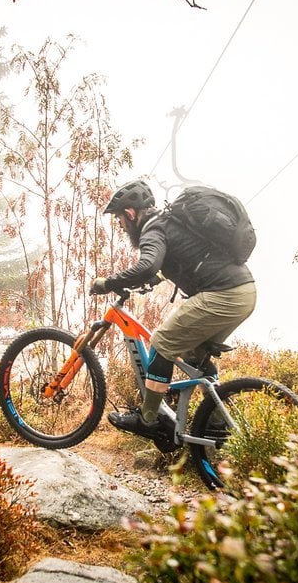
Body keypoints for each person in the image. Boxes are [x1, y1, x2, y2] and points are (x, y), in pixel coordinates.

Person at [89, 179, 256, 439]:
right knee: (194, 358)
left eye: (120, 219)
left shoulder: (152, 229)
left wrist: (108, 283)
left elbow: (147, 265)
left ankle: (148, 420)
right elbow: (182, 258)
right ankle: (215, 424)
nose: (121, 226)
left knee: (162, 342)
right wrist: (152, 281)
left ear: (131, 213)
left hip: (223, 295)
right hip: (243, 293)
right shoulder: (168, 222)